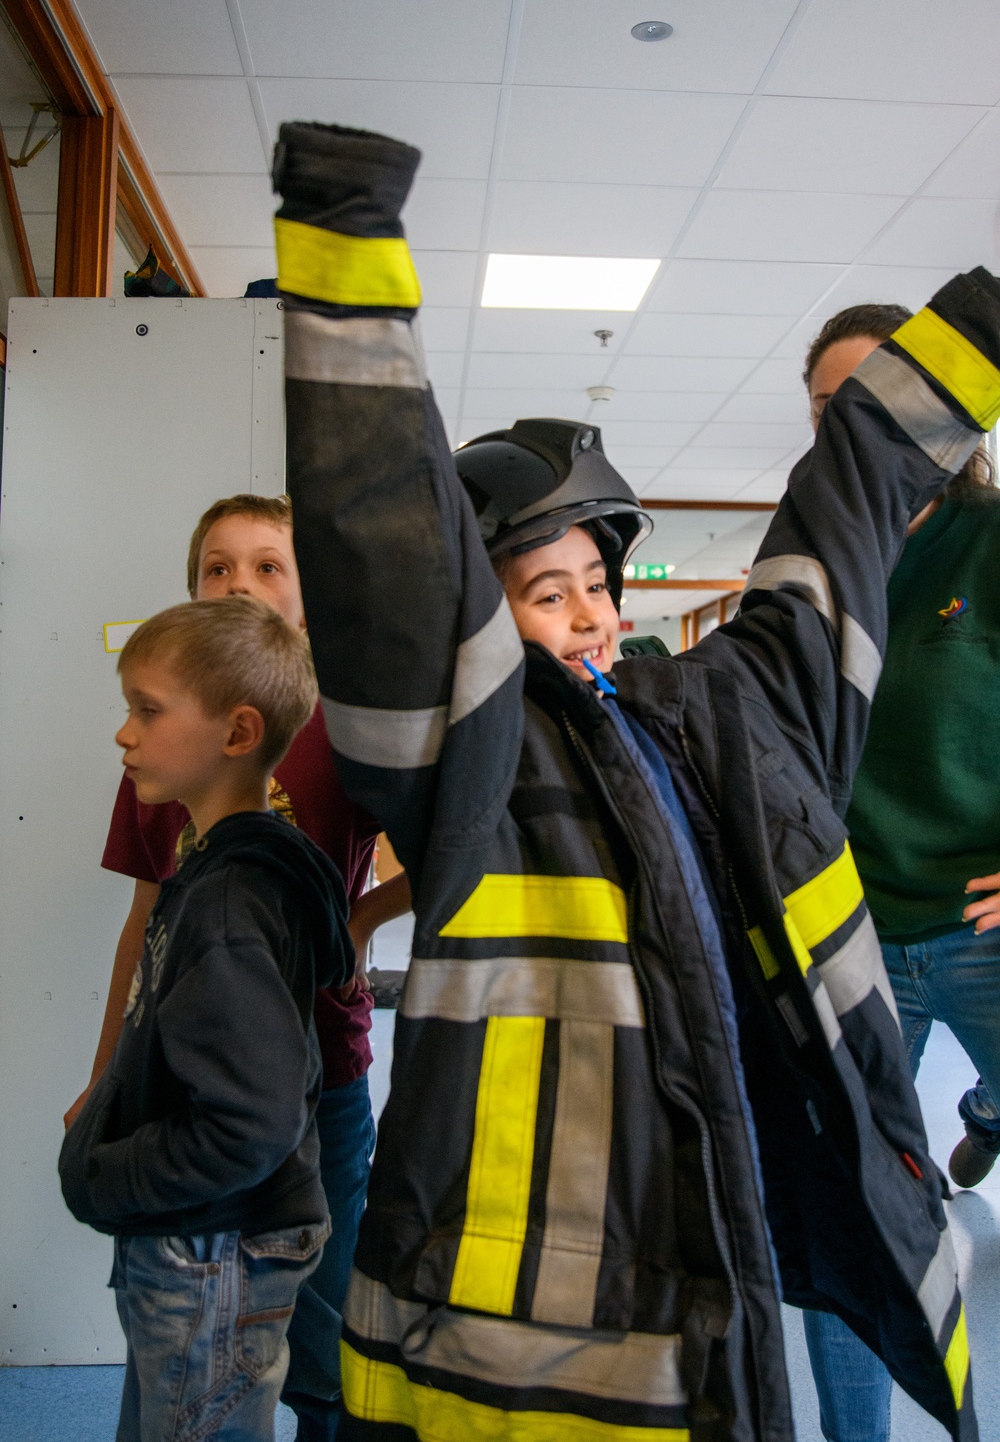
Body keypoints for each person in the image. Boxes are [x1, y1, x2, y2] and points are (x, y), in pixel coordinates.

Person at [275, 121, 993, 1442]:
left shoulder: (738, 707)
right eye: (547, 595)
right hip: (540, 1356)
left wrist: (982, 325)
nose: (594, 618)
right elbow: (383, 546)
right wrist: (343, 232)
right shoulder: (472, 767)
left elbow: (852, 490)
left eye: (601, 585)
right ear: (481, 631)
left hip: (769, 1233)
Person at [65, 493, 411, 1442]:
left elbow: (445, 843)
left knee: (323, 1316)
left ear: (309, 598)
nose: (240, 584)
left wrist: (352, 922)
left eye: (268, 566)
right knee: (200, 1328)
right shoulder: (163, 751)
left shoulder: (349, 736)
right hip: (183, 1083)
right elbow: (146, 922)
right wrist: (105, 1080)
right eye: (218, 567)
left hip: (324, 1075)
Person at [801, 303, 1000, 1442]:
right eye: (833, 412)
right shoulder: (817, 558)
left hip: (980, 930)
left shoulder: (989, 536)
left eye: (880, 404)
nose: (857, 432)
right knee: (858, 1218)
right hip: (853, 937)